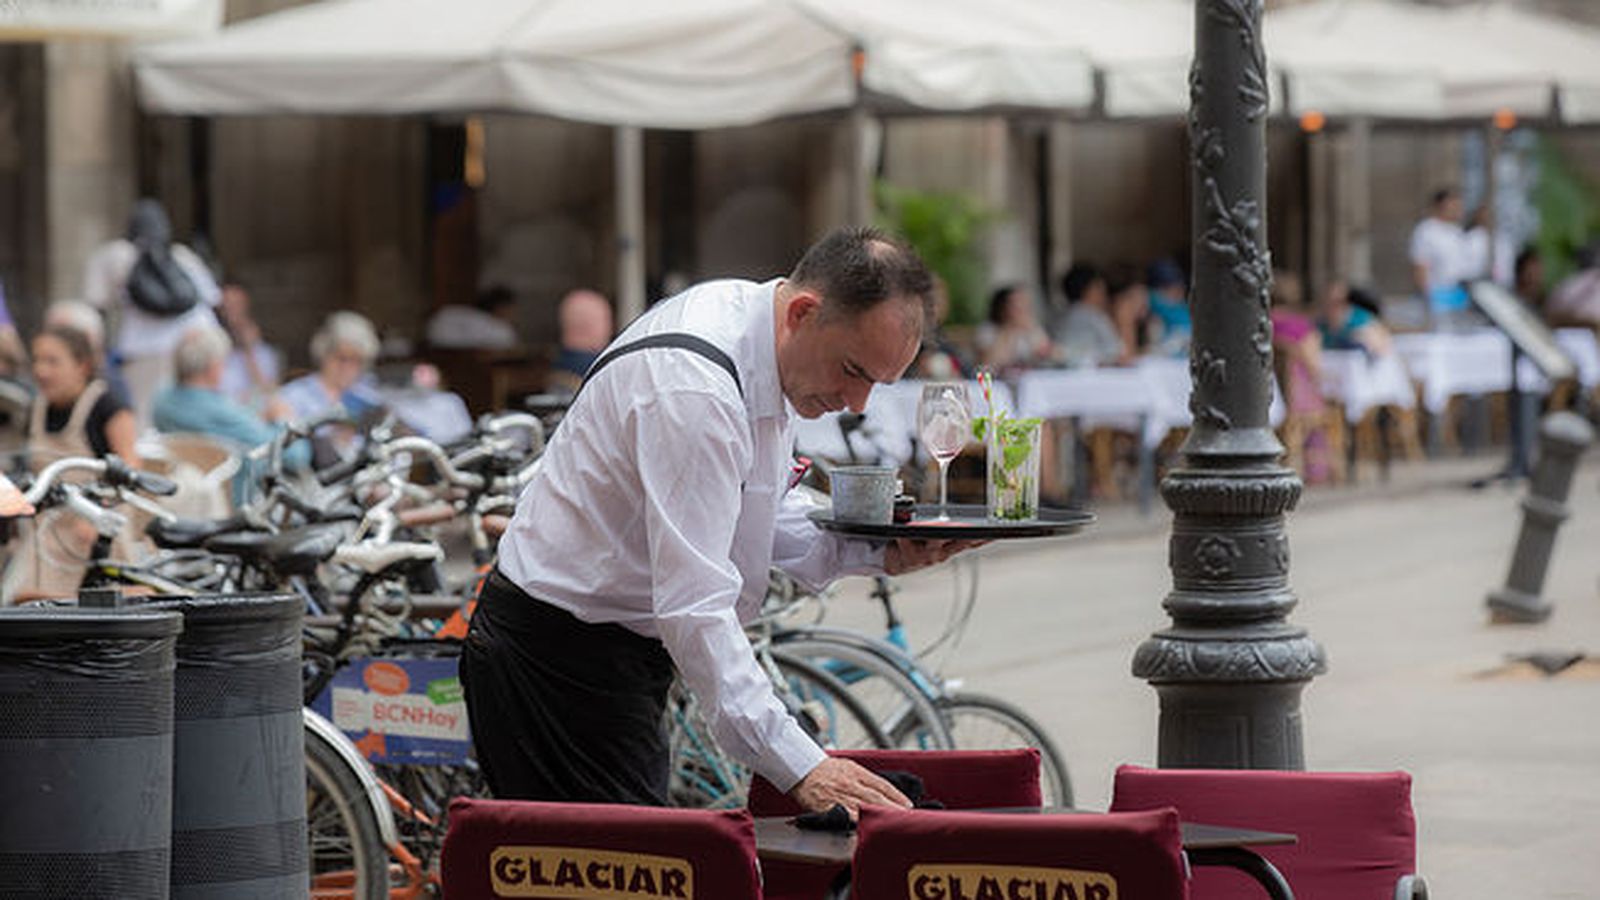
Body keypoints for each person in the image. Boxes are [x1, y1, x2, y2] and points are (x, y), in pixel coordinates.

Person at [463, 227, 980, 813]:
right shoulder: (696, 390)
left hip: (606, 653)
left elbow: (756, 507)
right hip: (555, 664)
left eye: (876, 385)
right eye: (853, 370)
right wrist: (801, 764)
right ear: (804, 313)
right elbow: (695, 606)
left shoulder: (759, 333)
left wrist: (880, 548)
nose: (856, 403)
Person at [7, 325, 141, 601]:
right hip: (46, 533)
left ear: (82, 365)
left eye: (52, 361)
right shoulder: (36, 408)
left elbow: (131, 468)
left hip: (97, 532)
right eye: (37, 360)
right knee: (28, 604)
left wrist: (98, 517)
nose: (41, 371)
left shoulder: (107, 405)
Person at [82, 198, 222, 425]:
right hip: (193, 343)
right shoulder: (182, 255)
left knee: (144, 418)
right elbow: (213, 298)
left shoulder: (114, 255)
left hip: (145, 352)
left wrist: (100, 350)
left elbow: (96, 305)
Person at [152, 326, 309, 504]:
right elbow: (296, 457)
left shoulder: (162, 401)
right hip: (231, 504)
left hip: (181, 496)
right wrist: (283, 419)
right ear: (213, 368)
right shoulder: (222, 412)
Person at [216, 283, 287, 414]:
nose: (230, 313)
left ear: (247, 307)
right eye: (225, 307)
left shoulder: (266, 354)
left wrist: (249, 351)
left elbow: (270, 394)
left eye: (235, 305)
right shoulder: (211, 350)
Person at [1409, 188, 1470, 326]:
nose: (1457, 209)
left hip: (1460, 293)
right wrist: (1428, 296)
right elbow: (1420, 266)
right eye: (1453, 205)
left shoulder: (1457, 231)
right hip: (1438, 295)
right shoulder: (1426, 231)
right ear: (1440, 205)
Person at [1052, 263, 1123, 368]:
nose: (1104, 294)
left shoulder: (1060, 315)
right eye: (1099, 288)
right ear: (1088, 290)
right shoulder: (1093, 316)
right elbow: (1118, 351)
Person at [975, 284, 1052, 374]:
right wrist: (1008, 332)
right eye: (1014, 305)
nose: (1020, 309)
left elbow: (1049, 354)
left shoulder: (1031, 327)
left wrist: (1031, 334)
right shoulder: (988, 330)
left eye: (1024, 304)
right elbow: (986, 366)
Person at [548, 288, 615, 390]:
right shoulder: (603, 367)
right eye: (605, 319)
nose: (611, 327)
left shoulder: (558, 363)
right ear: (586, 325)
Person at [425, 284, 521, 351]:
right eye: (511, 309)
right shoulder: (500, 330)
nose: (513, 315)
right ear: (500, 308)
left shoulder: (447, 312)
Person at [913, 275, 973, 379]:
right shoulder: (905, 337)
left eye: (941, 297)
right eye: (930, 296)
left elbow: (967, 374)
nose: (936, 302)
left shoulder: (942, 337)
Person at [1317, 279, 1392, 357]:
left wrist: (1362, 339)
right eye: (1328, 301)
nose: (1332, 306)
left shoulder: (1363, 319)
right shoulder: (1320, 325)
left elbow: (1382, 348)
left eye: (1338, 301)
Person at [1144, 258, 1191, 356]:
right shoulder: (1153, 304)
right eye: (1167, 288)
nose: (1176, 291)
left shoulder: (1185, 308)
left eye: (1179, 286)